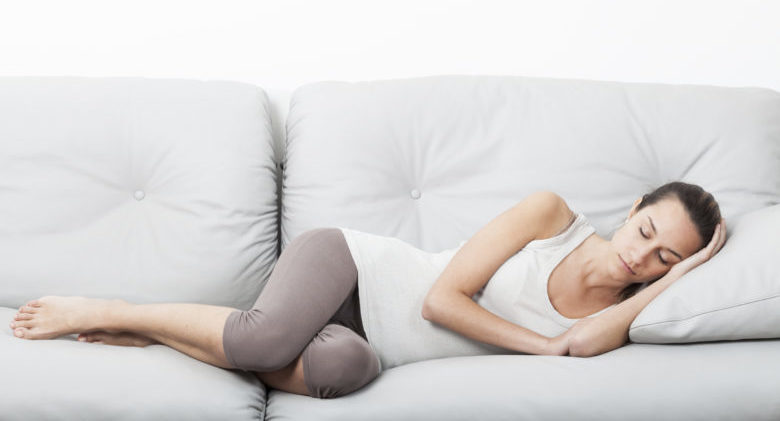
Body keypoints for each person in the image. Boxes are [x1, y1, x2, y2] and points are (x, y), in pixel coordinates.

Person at [8, 181, 726, 399]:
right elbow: (442, 301)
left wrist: (692, 269)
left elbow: (585, 344)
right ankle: (119, 310)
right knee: (266, 336)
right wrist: (542, 345)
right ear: (632, 209)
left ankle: (165, 333)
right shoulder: (552, 217)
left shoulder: (628, 305)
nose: (645, 256)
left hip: (366, 341)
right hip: (357, 268)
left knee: (346, 370)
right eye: (647, 232)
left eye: (665, 257)